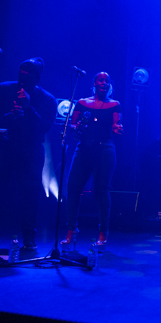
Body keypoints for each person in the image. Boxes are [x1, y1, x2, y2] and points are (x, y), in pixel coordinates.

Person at [0, 58, 56, 250]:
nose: (23, 77)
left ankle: (29, 238)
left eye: (28, 74)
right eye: (21, 72)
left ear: (37, 78)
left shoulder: (47, 99)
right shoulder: (3, 89)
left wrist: (29, 108)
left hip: (31, 151)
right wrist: (9, 116)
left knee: (31, 194)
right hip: (2, 146)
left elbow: (45, 127)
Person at [61, 72, 122, 247]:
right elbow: (72, 125)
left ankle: (103, 233)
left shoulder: (114, 104)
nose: (104, 83)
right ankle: (71, 230)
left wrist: (117, 128)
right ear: (94, 83)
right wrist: (76, 126)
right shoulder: (82, 103)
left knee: (101, 191)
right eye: (100, 80)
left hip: (105, 149)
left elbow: (117, 124)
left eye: (107, 81)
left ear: (109, 85)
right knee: (72, 188)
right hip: (84, 148)